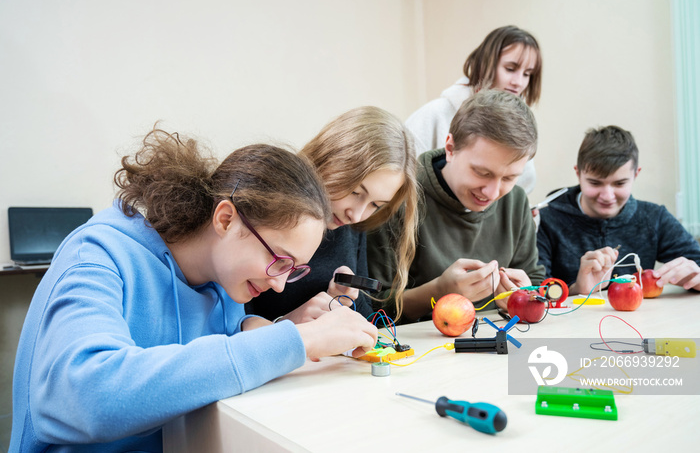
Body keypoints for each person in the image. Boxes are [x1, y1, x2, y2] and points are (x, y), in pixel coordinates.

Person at [11, 128, 378, 452]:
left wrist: (267, 325)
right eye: (278, 260)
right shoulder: (98, 255)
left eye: (293, 269)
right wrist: (296, 341)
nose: (280, 283)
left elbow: (205, 355)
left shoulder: (221, 281)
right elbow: (89, 396)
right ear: (225, 219)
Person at [368, 89, 546, 323]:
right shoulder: (397, 197)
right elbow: (371, 307)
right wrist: (438, 291)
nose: (493, 193)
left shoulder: (516, 201)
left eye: (509, 178)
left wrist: (524, 293)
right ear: (450, 149)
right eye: (482, 172)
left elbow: (534, 279)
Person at [247, 106, 419, 322]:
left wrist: (342, 302)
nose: (356, 215)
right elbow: (228, 327)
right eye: (355, 191)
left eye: (376, 204)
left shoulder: (348, 225)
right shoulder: (266, 202)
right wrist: (289, 323)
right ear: (331, 158)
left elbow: (369, 321)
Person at [537, 125, 700, 295]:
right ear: (578, 174)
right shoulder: (546, 220)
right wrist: (576, 289)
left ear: (636, 174)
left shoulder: (654, 217)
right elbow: (534, 289)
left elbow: (696, 262)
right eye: (595, 183)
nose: (607, 196)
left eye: (619, 183)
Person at [405, 25, 542, 194]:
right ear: (485, 64)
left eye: (527, 74)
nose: (519, 82)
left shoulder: (521, 128)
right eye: (510, 69)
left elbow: (523, 187)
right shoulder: (435, 114)